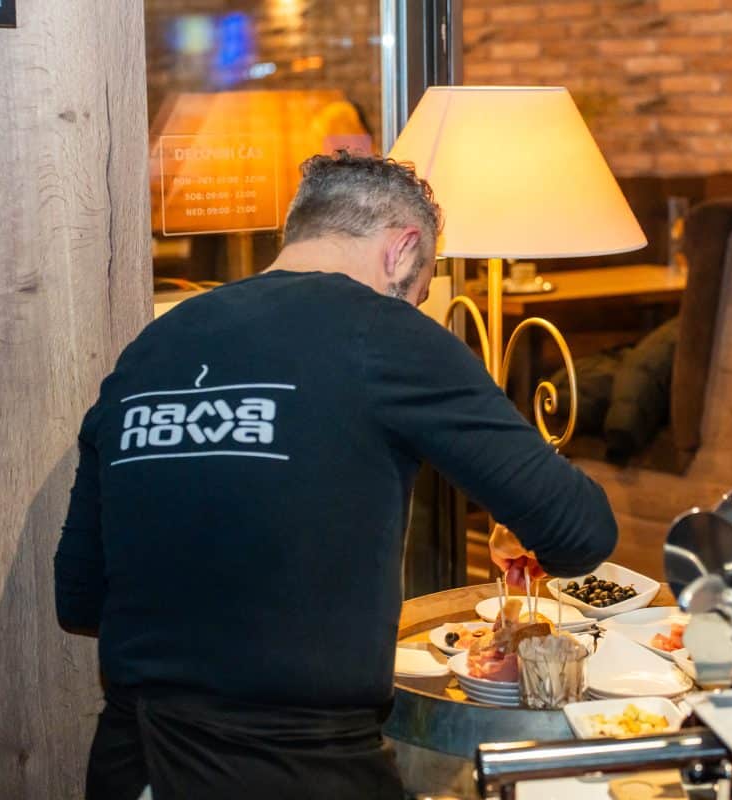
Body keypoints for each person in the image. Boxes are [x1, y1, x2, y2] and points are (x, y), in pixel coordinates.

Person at [54, 151, 617, 799]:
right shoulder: (383, 331)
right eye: (421, 292)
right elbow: (580, 532)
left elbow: (81, 596)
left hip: (132, 764)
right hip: (293, 768)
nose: (415, 308)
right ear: (402, 251)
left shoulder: (153, 346)